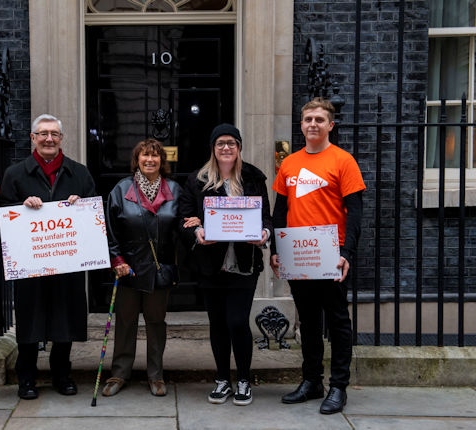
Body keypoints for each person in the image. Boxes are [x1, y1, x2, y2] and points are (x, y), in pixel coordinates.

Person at [270, 97, 366, 415]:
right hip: (298, 255)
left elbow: (355, 211)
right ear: (301, 125)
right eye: (308, 119)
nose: (313, 124)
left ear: (330, 125)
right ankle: (312, 382)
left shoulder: (343, 161)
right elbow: (280, 210)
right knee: (308, 322)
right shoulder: (289, 164)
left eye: (319, 120)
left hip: (330, 254)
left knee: (337, 322)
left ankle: (338, 386)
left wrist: (347, 252)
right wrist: (275, 251)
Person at [0, 114, 96, 400]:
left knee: (65, 320)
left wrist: (82, 206)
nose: (49, 139)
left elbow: (93, 213)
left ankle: (61, 374)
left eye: (54, 134)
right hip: (31, 262)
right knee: (30, 319)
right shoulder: (15, 174)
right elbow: (3, 211)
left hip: (68, 261)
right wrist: (21, 205)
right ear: (33, 138)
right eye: (43, 134)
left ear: (61, 139)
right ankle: (26, 377)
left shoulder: (79, 173)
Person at [179, 123, 273, 406]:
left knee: (236, 321)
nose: (226, 147)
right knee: (217, 323)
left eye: (232, 142)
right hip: (211, 263)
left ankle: (243, 379)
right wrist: (196, 232)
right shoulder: (197, 180)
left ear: (239, 146)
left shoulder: (253, 178)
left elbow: (266, 217)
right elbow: (184, 217)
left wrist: (264, 234)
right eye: (220, 143)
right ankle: (222, 379)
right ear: (213, 148)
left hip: (244, 263)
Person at [102, 138, 192, 398]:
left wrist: (192, 222)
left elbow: (181, 225)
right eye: (145, 155)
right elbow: (109, 229)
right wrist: (116, 260)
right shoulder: (121, 190)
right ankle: (119, 372)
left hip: (159, 269)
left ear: (162, 161)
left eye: (155, 156)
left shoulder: (174, 189)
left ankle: (156, 375)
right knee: (125, 322)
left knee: (156, 322)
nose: (150, 160)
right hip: (128, 270)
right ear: (137, 160)